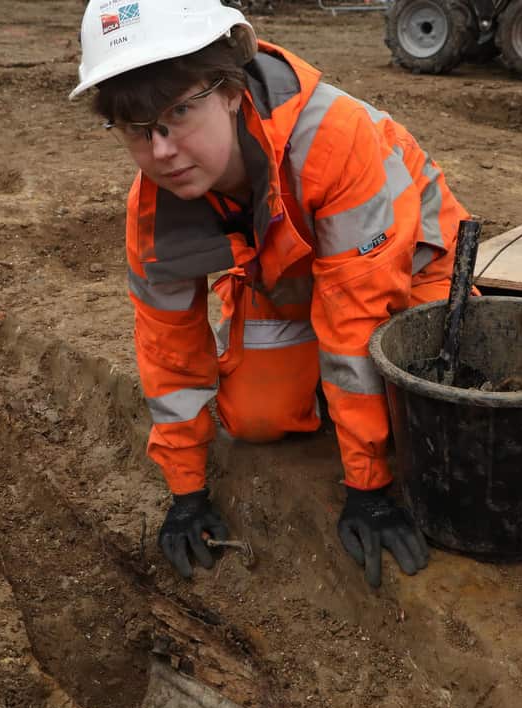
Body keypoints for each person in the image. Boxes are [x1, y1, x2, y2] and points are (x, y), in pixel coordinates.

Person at [69, 0, 471, 588]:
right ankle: (331, 395)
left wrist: (370, 488)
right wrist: (186, 492)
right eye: (136, 129)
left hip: (408, 263)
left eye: (179, 112)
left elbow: (358, 315)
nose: (161, 151)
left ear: (231, 89)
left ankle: (360, 416)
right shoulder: (151, 211)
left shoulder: (333, 142)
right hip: (292, 275)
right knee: (256, 417)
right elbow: (167, 348)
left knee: (438, 413)